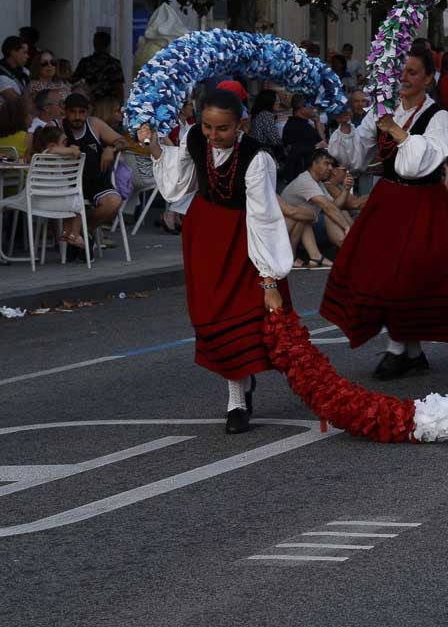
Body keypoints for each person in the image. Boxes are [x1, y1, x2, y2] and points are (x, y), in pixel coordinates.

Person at [137, 90, 294, 434]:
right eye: (207, 126)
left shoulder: (256, 159)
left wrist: (268, 281)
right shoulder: (195, 139)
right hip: (205, 235)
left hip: (242, 238)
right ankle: (237, 391)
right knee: (211, 314)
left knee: (237, 316)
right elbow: (176, 186)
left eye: (222, 128)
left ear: (241, 124)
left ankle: (237, 399)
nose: (213, 135)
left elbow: (264, 218)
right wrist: (151, 141)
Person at [325, 48, 448, 379]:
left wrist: (395, 130)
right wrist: (347, 126)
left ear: (429, 78)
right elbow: (356, 157)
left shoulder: (438, 117)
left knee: (407, 275)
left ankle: (398, 350)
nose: (404, 78)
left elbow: (423, 162)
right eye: (402, 72)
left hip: (423, 202)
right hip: (389, 201)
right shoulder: (385, 110)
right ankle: (411, 350)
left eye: (413, 72)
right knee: (383, 273)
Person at [61, 93, 129, 241]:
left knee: (114, 202)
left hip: (96, 181)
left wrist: (111, 148)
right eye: (73, 112)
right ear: (65, 111)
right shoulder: (59, 127)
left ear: (88, 112)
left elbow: (123, 142)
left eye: (81, 112)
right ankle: (79, 235)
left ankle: (83, 232)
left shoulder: (94, 124)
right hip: (68, 185)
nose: (77, 116)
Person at [25, 125, 86, 248]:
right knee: (78, 203)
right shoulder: (47, 154)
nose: (66, 145)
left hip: (45, 199)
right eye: (64, 142)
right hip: (47, 200)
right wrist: (72, 150)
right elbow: (54, 150)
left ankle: (66, 233)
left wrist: (71, 150)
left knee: (72, 203)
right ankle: (74, 234)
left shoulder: (53, 158)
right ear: (52, 145)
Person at [280, 151, 346, 263]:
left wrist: (346, 190)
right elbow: (328, 207)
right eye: (326, 163)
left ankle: (316, 256)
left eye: (331, 164)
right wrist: (346, 227)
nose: (330, 168)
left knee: (339, 212)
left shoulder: (317, 182)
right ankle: (347, 245)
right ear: (314, 164)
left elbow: (334, 206)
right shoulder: (305, 181)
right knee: (324, 215)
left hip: (300, 227)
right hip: (286, 232)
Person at [72, 30, 125, 122]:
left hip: (93, 102)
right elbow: (119, 87)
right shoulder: (113, 63)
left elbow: (73, 80)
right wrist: (120, 105)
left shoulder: (86, 62)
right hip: (108, 104)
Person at [281, 93, 324, 180]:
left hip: (295, 173)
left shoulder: (291, 123)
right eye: (311, 106)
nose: (314, 109)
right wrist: (318, 122)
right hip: (302, 174)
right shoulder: (302, 127)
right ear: (301, 108)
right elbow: (323, 144)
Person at [0, 36, 30, 100]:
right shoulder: (1, 76)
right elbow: (18, 102)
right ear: (13, 52)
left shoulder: (24, 71)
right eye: (24, 52)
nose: (28, 56)